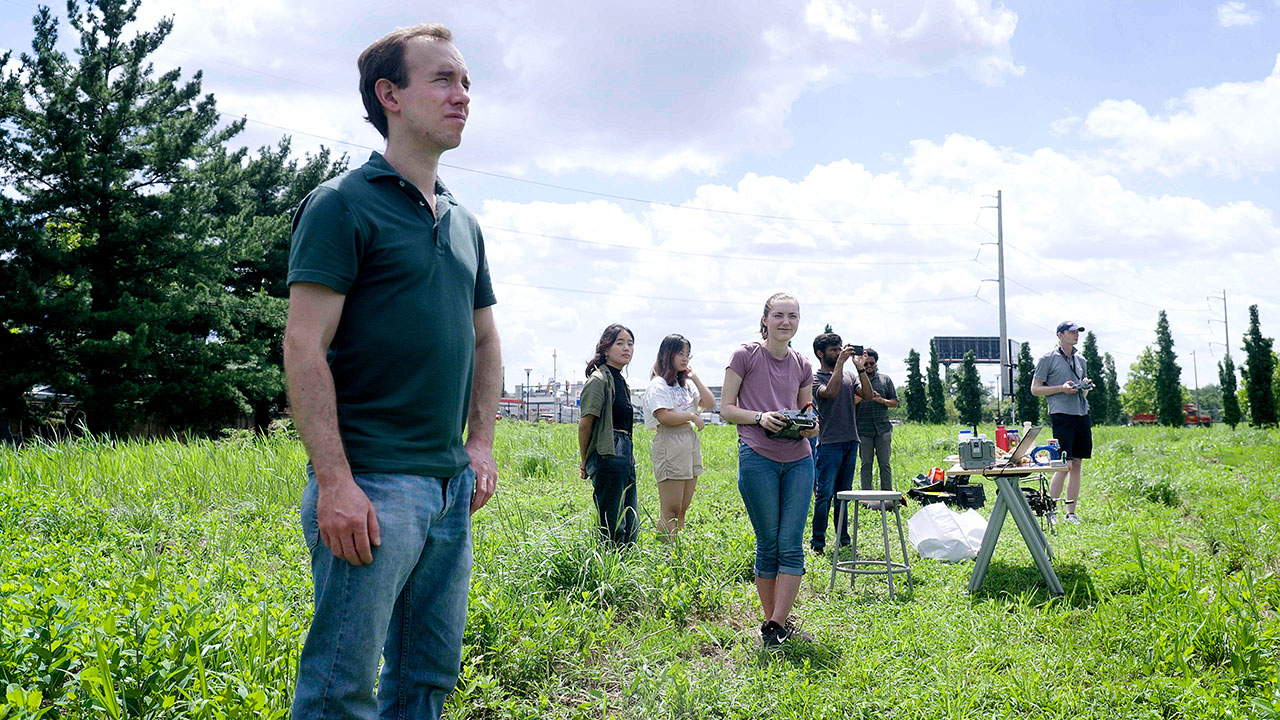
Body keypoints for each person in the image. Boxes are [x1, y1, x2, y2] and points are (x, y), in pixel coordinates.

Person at [284, 24, 501, 720]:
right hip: (372, 487)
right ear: (390, 96)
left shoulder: (464, 222)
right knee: (339, 691)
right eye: (443, 79)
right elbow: (302, 345)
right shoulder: (343, 204)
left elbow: (486, 339)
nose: (463, 95)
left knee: (426, 680)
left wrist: (481, 445)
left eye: (466, 82)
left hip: (448, 492)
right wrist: (335, 483)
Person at [721, 292, 820, 647]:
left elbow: (807, 409)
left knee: (791, 544)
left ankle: (776, 625)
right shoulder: (744, 356)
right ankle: (773, 623)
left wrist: (811, 426)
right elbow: (726, 409)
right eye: (778, 315)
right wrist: (760, 417)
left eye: (793, 316)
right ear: (765, 319)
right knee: (769, 543)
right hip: (757, 455)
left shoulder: (802, 363)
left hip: (798, 459)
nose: (786, 322)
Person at [643, 334, 716, 540]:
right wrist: (692, 415)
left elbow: (709, 402)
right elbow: (663, 416)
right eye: (680, 353)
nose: (685, 359)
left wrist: (695, 377)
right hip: (670, 441)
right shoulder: (658, 385)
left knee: (682, 509)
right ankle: (664, 557)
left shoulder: (686, 384)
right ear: (668, 355)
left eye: (687, 354)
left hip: (688, 440)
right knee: (671, 510)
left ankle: (676, 552)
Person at [810, 331, 872, 555]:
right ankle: (818, 542)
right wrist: (841, 364)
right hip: (828, 444)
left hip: (850, 441)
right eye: (833, 350)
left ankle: (843, 539)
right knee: (824, 494)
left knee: (843, 494)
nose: (838, 353)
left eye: (839, 349)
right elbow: (829, 393)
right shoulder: (816, 378)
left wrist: (860, 368)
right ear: (820, 353)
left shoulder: (849, 374)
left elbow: (867, 395)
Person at [578, 324, 639, 546]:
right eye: (620, 343)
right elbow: (585, 424)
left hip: (624, 450)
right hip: (608, 451)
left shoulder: (620, 380)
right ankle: (610, 567)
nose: (626, 349)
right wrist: (585, 460)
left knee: (629, 516)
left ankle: (626, 566)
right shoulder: (599, 380)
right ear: (605, 348)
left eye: (630, 344)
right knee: (612, 520)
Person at [1031, 321, 1092, 525]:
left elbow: (1080, 389)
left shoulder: (1081, 359)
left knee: (1077, 464)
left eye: (1078, 332)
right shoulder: (1047, 359)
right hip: (1061, 414)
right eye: (1072, 332)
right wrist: (1061, 388)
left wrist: (1084, 386)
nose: (1076, 335)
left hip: (1081, 413)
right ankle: (1051, 509)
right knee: (1063, 464)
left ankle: (1071, 513)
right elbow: (1036, 389)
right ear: (1060, 335)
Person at [855, 348, 899, 492]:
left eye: (871, 364)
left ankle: (887, 495)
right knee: (866, 464)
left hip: (883, 429)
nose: (868, 366)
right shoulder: (855, 380)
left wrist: (882, 400)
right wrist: (864, 395)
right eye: (865, 364)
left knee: (885, 464)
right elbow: (849, 403)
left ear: (876, 363)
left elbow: (895, 402)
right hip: (863, 430)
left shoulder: (885, 379)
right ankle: (866, 497)